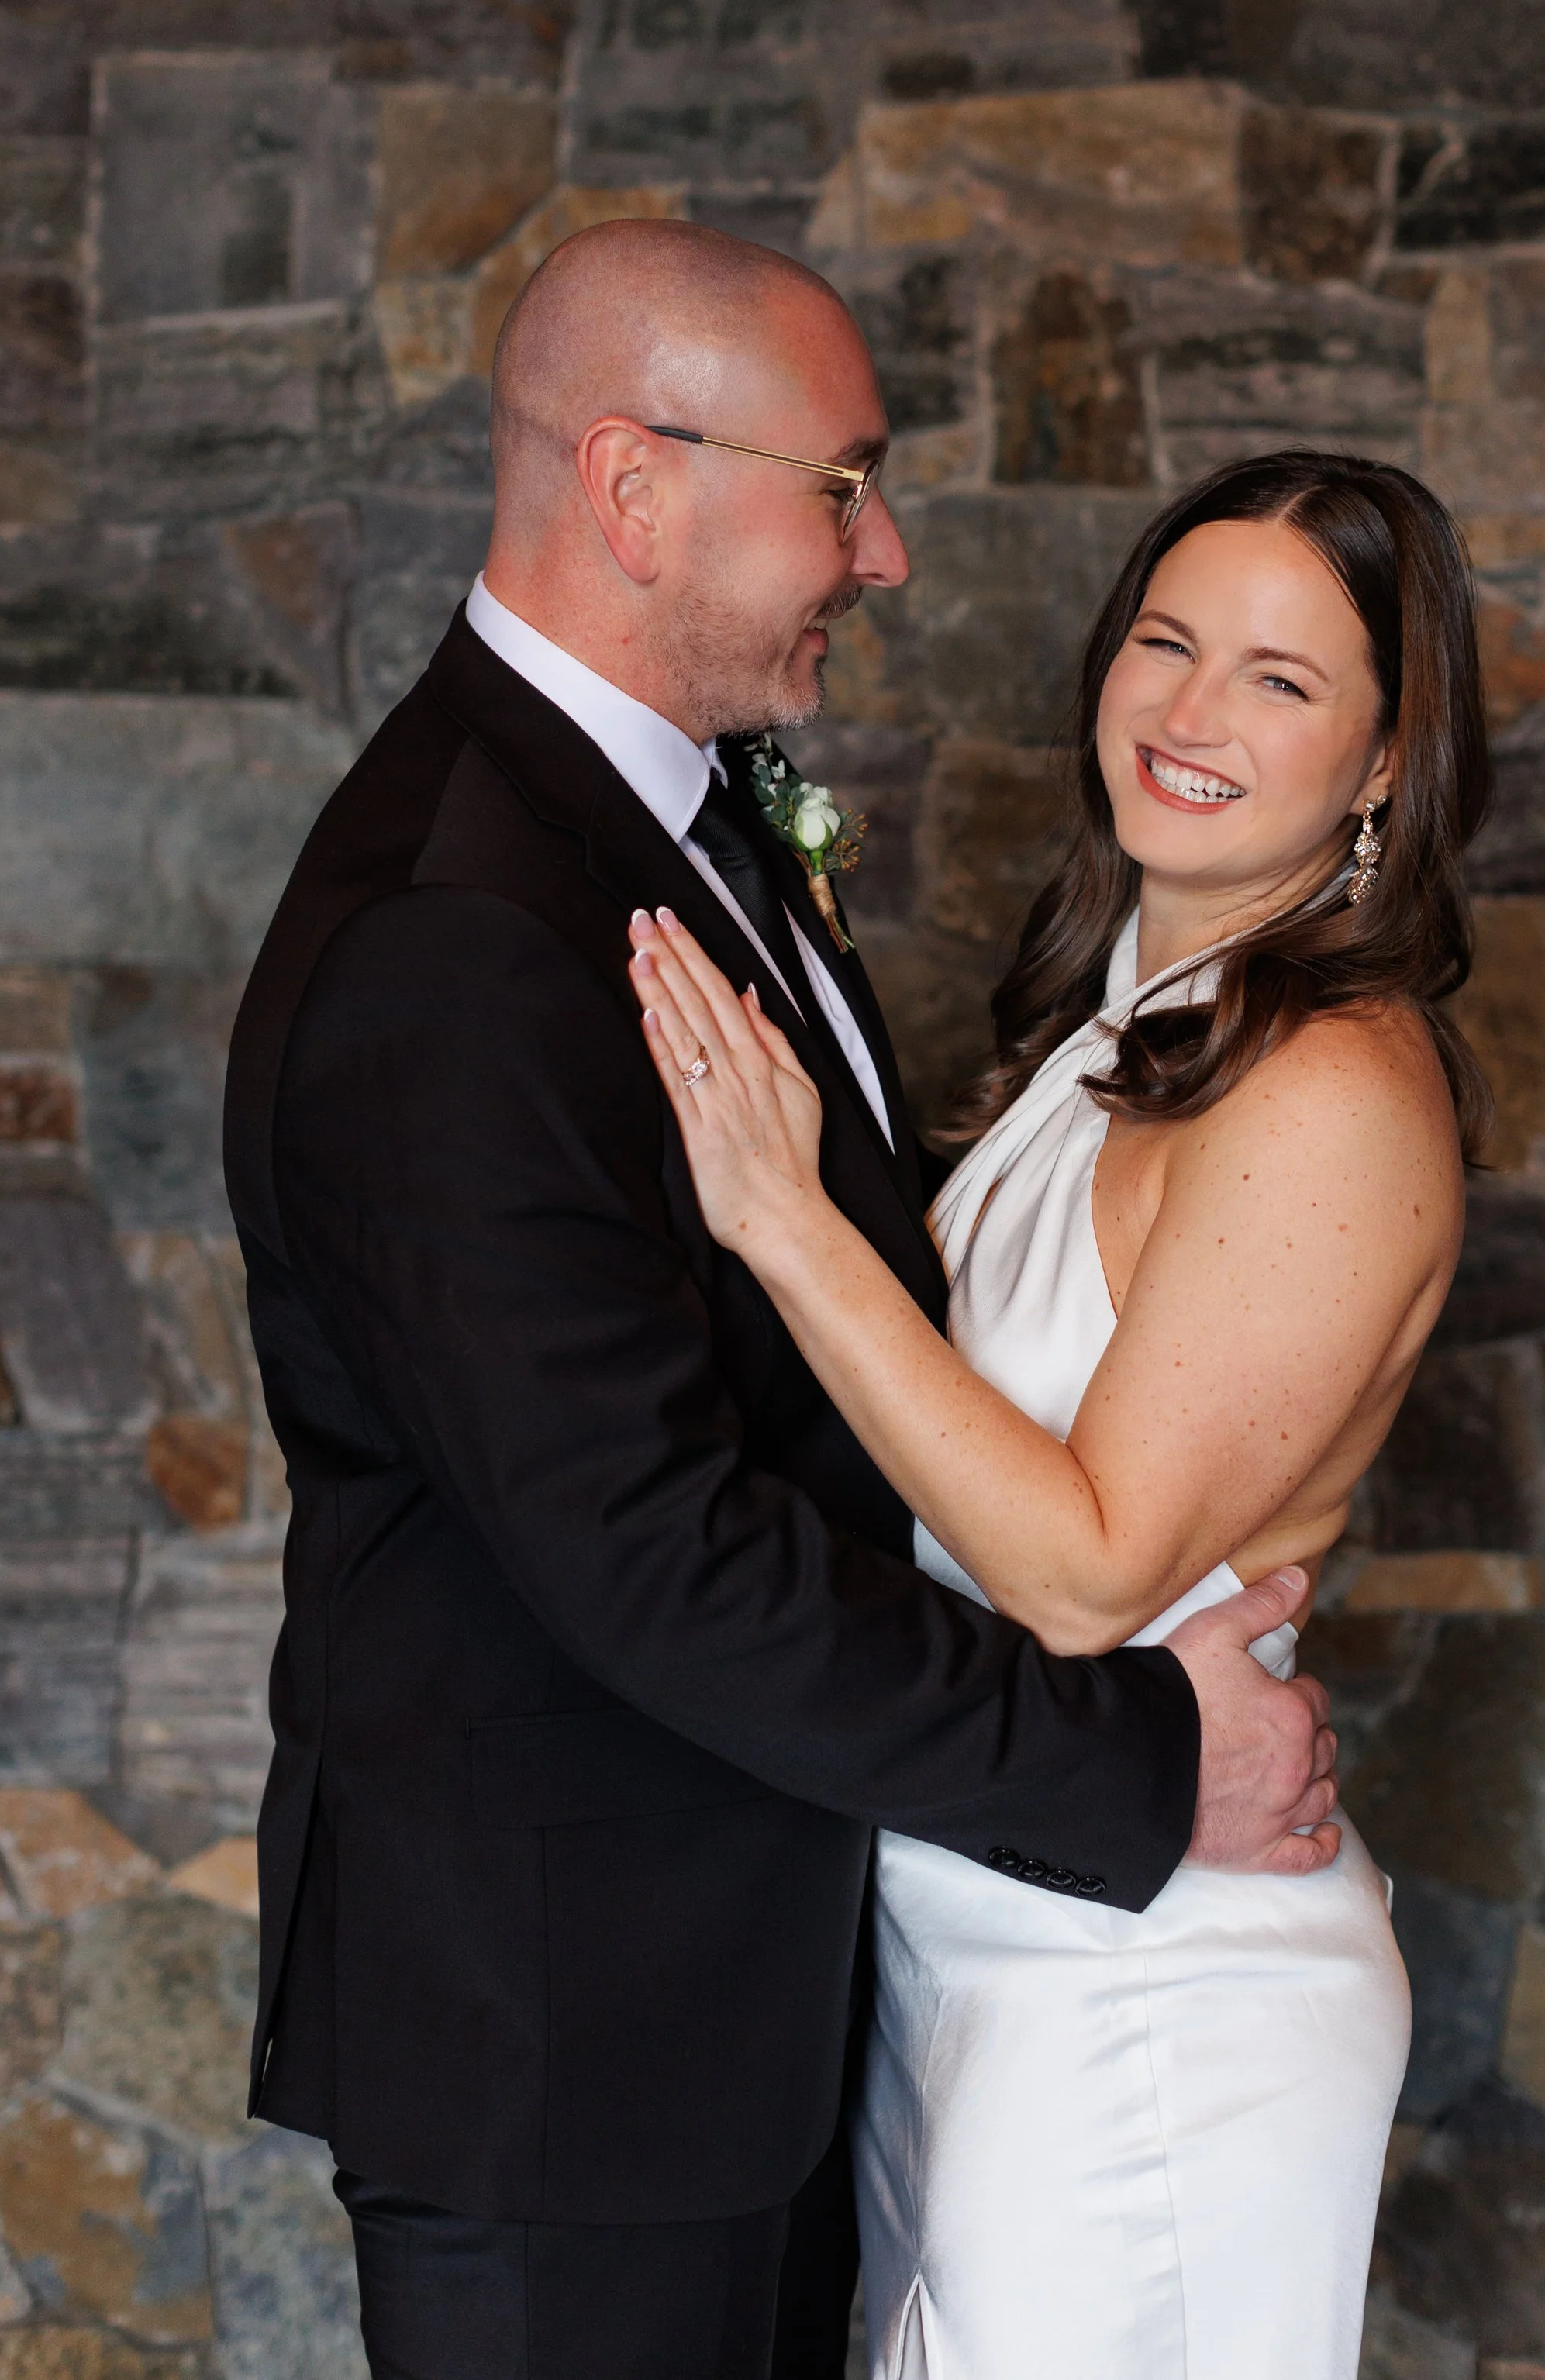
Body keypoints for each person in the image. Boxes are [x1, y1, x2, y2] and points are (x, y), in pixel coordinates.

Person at [221, 222, 1341, 2380]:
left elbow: (805, 1392)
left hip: (728, 1997)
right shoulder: (457, 933)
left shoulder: (663, 817)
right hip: (577, 2047)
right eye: (844, 483)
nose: (889, 547)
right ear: (636, 488)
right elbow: (646, 1553)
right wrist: (1128, 1758)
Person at [629, 447, 1493, 2380]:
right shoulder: (1125, 1032)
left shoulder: (1329, 1088)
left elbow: (1092, 1574)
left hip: (1155, 1991)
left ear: (1380, 763)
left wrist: (779, 1221)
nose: (1187, 715)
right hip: (987, 1932)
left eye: (1278, 679)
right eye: (1165, 644)